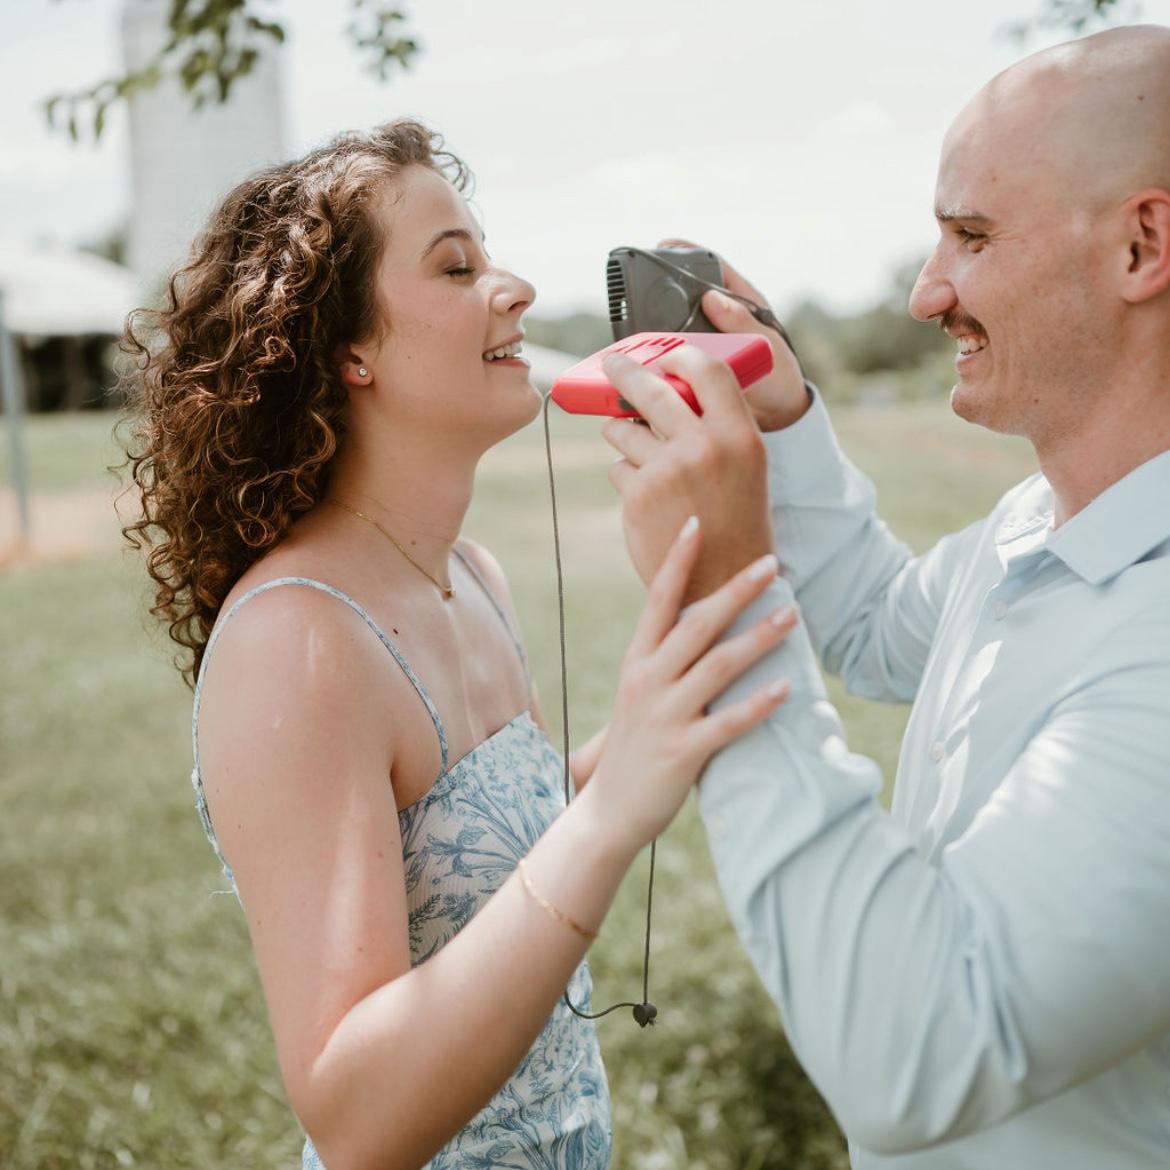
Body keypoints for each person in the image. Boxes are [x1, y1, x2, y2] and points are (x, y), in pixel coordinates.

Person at [119, 120, 799, 1170]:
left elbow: (500, 849)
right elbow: (355, 1116)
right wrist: (615, 815)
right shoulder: (297, 642)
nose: (516, 287)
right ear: (345, 347)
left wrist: (659, 711)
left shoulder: (469, 574)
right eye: (457, 266)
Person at [599, 24, 1170, 1170]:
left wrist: (722, 595)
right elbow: (873, 630)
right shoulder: (1035, 524)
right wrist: (789, 419)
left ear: (1142, 245)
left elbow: (915, 1050)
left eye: (971, 235)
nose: (925, 293)